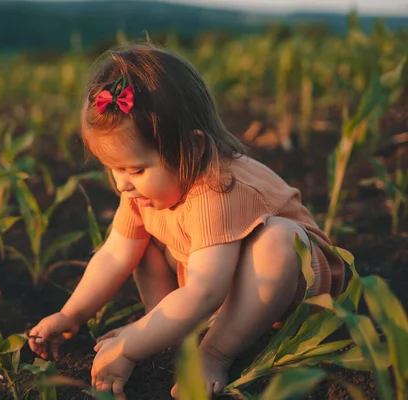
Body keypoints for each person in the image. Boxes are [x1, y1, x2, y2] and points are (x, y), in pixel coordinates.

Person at [27, 43, 344, 399]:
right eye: (113, 168)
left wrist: (131, 343)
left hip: (295, 293)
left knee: (278, 239)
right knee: (136, 244)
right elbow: (115, 255)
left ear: (191, 149)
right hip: (221, 284)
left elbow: (205, 291)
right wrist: (71, 314)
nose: (122, 183)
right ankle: (167, 328)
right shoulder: (144, 191)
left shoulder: (218, 188)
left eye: (136, 169)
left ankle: (214, 353)